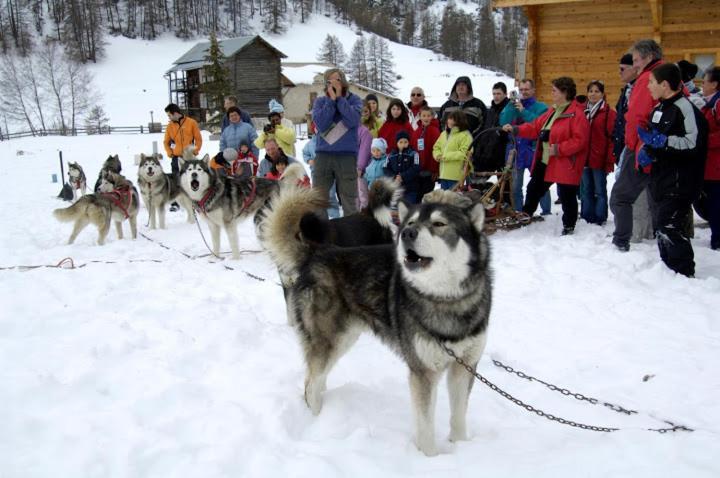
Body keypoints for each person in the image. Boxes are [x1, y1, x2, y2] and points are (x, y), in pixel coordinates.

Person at [638, 63, 708, 276]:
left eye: (651, 82)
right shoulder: (658, 109)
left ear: (665, 84)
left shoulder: (684, 108)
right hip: (660, 178)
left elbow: (692, 142)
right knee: (661, 225)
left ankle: (684, 273)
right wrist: (649, 151)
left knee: (670, 225)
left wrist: (663, 142)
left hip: (681, 180)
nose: (648, 86)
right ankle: (668, 272)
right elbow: (655, 139)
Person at [503, 77, 590, 235]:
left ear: (564, 92)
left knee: (566, 195)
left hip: (565, 162)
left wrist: (558, 149)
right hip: (546, 160)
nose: (552, 93)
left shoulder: (577, 114)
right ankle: (526, 214)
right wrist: (517, 129)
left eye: (554, 90)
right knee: (534, 188)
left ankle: (569, 225)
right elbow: (536, 127)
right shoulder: (553, 110)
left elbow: (580, 141)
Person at [610, 39, 664, 252]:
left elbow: (639, 115)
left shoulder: (647, 79)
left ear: (649, 57)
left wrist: (635, 144)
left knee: (620, 197)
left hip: (642, 148)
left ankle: (621, 240)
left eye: (635, 60)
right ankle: (663, 238)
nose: (634, 65)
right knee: (657, 198)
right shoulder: (665, 74)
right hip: (653, 146)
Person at [312, 68, 363, 216]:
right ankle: (320, 235)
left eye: (338, 80)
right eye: (330, 81)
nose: (334, 83)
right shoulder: (320, 102)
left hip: (346, 156)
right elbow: (321, 123)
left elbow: (353, 120)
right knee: (318, 199)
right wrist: (331, 101)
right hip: (323, 155)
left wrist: (340, 99)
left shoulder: (354, 100)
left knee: (349, 199)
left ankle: (351, 234)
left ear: (344, 82)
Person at [499, 79, 552, 215]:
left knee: (539, 183)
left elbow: (539, 125)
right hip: (516, 150)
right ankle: (519, 211)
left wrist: (523, 111)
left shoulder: (541, 107)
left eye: (526, 89)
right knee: (516, 185)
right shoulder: (513, 105)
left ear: (533, 90)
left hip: (534, 149)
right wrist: (511, 106)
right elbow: (503, 121)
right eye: (521, 90)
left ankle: (546, 212)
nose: (523, 92)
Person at [580, 80, 616, 225]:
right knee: (586, 189)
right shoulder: (582, 111)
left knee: (600, 190)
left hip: (599, 157)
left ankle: (600, 217)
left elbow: (611, 137)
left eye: (596, 91)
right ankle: (587, 216)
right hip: (584, 157)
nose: (593, 94)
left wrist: (609, 158)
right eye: (590, 91)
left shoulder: (608, 113)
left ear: (602, 94)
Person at [163, 103, 202, 211]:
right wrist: (170, 153)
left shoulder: (191, 122)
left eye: (169, 115)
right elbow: (166, 142)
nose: (169, 117)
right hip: (176, 157)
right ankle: (175, 202)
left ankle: (195, 201)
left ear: (175, 113)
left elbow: (198, 139)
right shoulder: (170, 126)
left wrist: (196, 151)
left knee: (193, 178)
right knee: (176, 180)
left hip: (189, 157)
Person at [701, 67, 720, 250]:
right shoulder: (709, 103)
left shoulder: (718, 103)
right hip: (710, 164)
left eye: (705, 81)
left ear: (714, 84)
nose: (702, 84)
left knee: (716, 204)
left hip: (716, 164)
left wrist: (704, 140)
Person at [303, 124, 340, 218]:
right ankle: (321, 217)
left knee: (330, 194)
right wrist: (309, 160)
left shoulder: (330, 141)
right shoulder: (310, 144)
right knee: (318, 194)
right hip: (316, 173)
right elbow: (305, 153)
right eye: (317, 129)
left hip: (329, 172)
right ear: (314, 130)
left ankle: (334, 216)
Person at [474, 82, 510, 174]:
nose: (496, 96)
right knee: (481, 183)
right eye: (494, 94)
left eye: (499, 94)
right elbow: (484, 130)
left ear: (505, 94)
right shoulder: (490, 111)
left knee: (504, 183)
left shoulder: (510, 110)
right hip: (487, 152)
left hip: (502, 152)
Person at [433, 110, 473, 191]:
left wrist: (444, 156)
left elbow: (464, 153)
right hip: (443, 174)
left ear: (460, 121)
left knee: (455, 200)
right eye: (450, 118)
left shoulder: (466, 135)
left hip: (457, 176)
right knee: (445, 200)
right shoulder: (443, 134)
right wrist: (437, 155)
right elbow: (436, 147)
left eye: (454, 119)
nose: (450, 121)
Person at [411, 106, 441, 197]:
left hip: (430, 171)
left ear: (432, 117)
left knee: (427, 195)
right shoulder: (417, 131)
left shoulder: (435, 131)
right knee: (418, 195)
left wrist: (435, 170)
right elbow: (412, 149)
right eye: (424, 115)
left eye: (428, 116)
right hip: (417, 170)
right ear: (420, 117)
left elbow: (438, 151)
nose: (426, 118)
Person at [386, 130, 421, 203]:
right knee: (397, 210)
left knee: (409, 210)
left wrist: (402, 176)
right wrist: (395, 177)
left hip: (410, 189)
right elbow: (386, 168)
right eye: (400, 142)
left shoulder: (414, 154)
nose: (403, 144)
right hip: (396, 188)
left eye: (405, 142)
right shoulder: (391, 155)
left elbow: (416, 168)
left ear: (408, 142)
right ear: (397, 143)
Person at [356, 124, 373, 210]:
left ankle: (364, 214)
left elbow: (365, 150)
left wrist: (360, 167)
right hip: (349, 168)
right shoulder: (346, 129)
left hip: (361, 170)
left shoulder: (364, 131)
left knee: (363, 195)